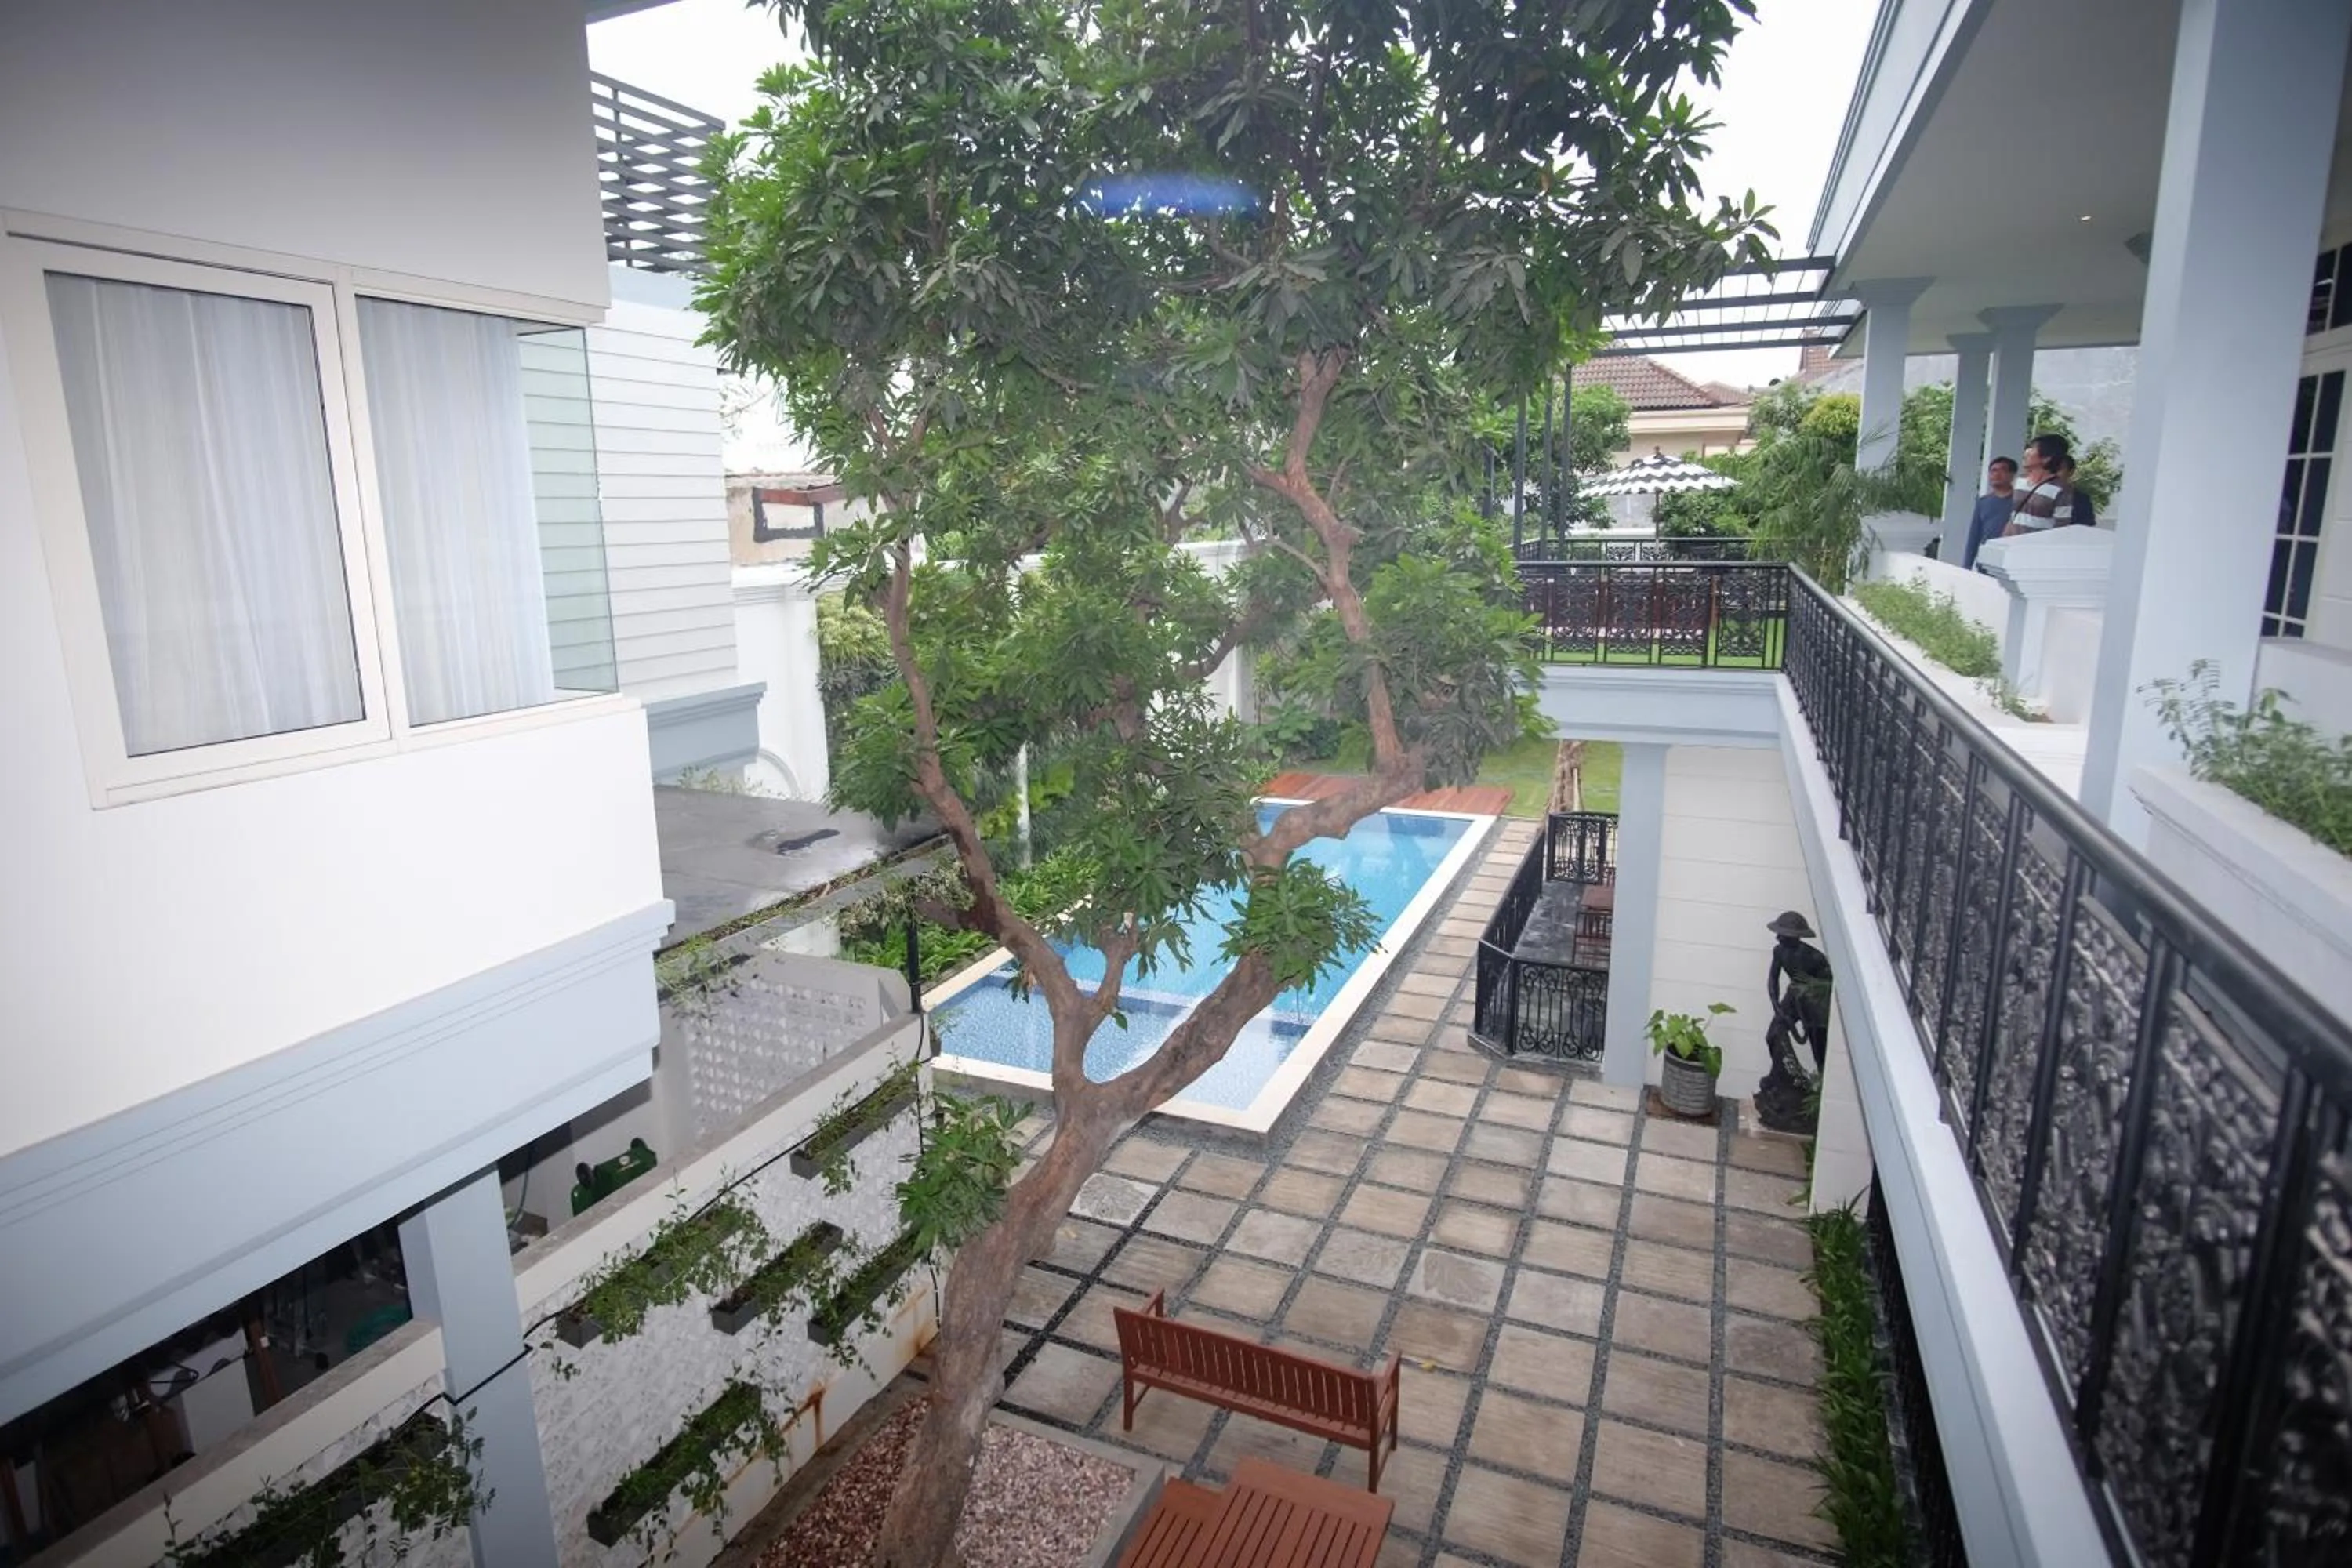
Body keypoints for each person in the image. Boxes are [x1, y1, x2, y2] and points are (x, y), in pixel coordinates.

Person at [2003, 433, 2074, 535]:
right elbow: (2014, 517)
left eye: (2032, 449)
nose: (2026, 452)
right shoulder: (2019, 481)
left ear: (2047, 458)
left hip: (2039, 544)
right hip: (2013, 543)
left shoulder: (2061, 489)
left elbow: (2061, 526)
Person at [1961, 456, 2017, 568]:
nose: (1996, 474)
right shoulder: (1983, 502)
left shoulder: (2020, 501)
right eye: (1993, 471)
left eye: (2002, 470)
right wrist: (1966, 567)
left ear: (2012, 475)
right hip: (1986, 562)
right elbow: (1974, 536)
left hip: (2011, 561)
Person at [2056, 456, 2098, 528]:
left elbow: (2085, 528)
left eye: (2059, 469)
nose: (2054, 474)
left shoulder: (2082, 500)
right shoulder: (2039, 494)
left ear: (2071, 472)